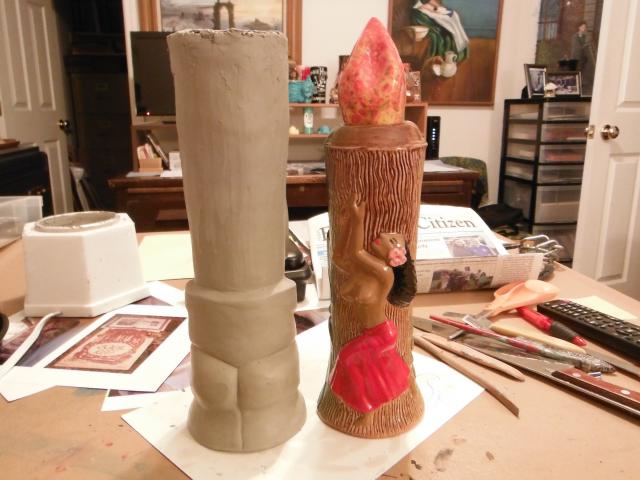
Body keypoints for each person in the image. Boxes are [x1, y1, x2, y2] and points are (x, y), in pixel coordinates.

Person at [329, 201, 417, 416]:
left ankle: (367, 409)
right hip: (372, 333)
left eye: (392, 240)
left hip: (380, 333)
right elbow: (339, 257)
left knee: (348, 358)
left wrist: (358, 220)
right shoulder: (364, 274)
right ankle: (407, 387)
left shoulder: (385, 273)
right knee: (386, 370)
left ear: (395, 255)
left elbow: (357, 252)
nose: (383, 236)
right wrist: (347, 224)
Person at [411, 0, 470, 69]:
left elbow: (428, 1)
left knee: (452, 18)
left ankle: (451, 56)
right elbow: (421, 3)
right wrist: (433, 8)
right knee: (444, 24)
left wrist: (436, 7)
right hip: (419, 12)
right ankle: (438, 61)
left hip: (426, 8)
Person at [571, 21, 596, 93]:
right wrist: (583, 47)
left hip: (584, 57)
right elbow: (575, 48)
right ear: (579, 27)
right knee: (577, 70)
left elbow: (587, 45)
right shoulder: (575, 37)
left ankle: (582, 83)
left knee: (584, 70)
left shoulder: (585, 36)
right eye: (582, 27)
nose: (584, 28)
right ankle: (575, 85)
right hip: (577, 56)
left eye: (585, 27)